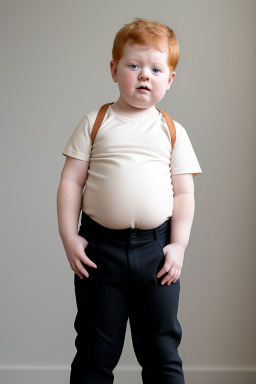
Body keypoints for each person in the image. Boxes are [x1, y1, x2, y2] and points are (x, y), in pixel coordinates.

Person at [57, 17, 202, 384]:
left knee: (162, 351)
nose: (143, 75)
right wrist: (69, 236)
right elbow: (71, 182)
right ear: (114, 69)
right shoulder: (95, 122)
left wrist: (179, 246)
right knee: (94, 349)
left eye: (155, 68)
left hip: (157, 252)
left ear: (169, 80)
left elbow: (184, 193)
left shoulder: (172, 130)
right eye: (133, 65)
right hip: (99, 250)